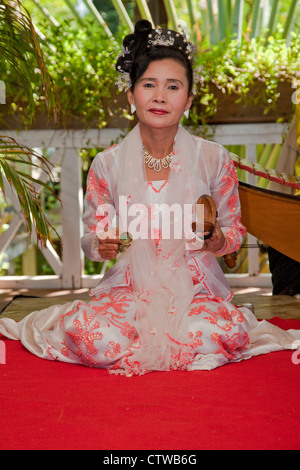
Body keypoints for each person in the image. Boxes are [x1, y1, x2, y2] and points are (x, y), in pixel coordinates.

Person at [0, 20, 299, 376]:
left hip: (194, 289)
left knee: (219, 331)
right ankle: (152, 345)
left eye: (173, 86)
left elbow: (233, 233)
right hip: (129, 288)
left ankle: (154, 345)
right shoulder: (106, 163)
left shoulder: (213, 158)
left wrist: (218, 238)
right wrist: (102, 244)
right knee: (90, 335)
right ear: (131, 95)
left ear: (188, 99)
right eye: (149, 85)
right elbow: (90, 239)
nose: (160, 96)